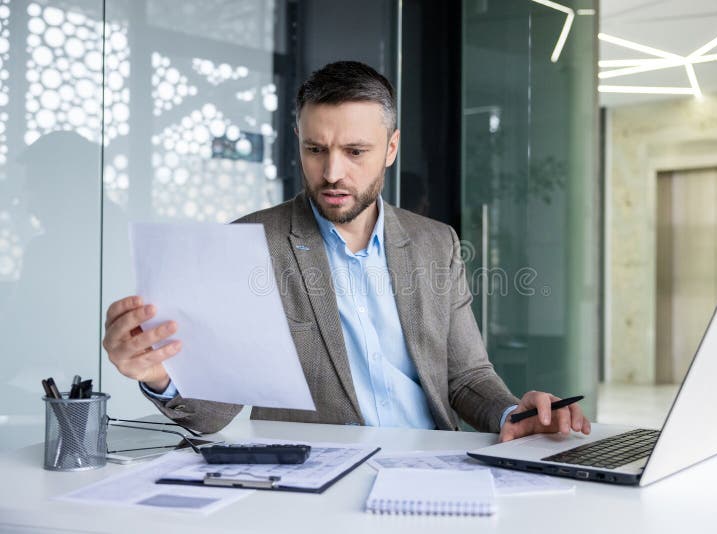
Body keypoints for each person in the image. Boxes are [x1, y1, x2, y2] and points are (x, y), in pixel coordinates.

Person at [103, 61, 591, 442]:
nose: (333, 172)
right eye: (316, 149)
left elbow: (466, 377)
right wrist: (159, 375)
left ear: (391, 148)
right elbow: (214, 414)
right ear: (299, 141)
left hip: (431, 464)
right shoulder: (249, 242)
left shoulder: (434, 242)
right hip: (315, 480)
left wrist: (513, 413)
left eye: (355, 151)